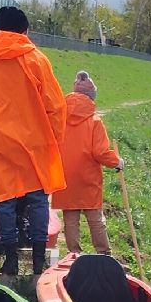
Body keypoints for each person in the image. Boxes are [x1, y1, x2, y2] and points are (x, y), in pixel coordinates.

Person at [0, 5, 66, 278]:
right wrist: (54, 140)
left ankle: (10, 259)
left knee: (5, 201)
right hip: (36, 142)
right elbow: (56, 106)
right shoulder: (37, 60)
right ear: (25, 30)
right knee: (38, 200)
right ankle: (38, 261)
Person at [53, 70, 123, 255]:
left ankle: (73, 254)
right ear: (92, 97)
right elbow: (100, 152)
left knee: (70, 217)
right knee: (95, 218)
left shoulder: (60, 117)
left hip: (64, 174)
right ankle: (104, 254)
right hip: (87, 176)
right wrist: (116, 162)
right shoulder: (95, 121)